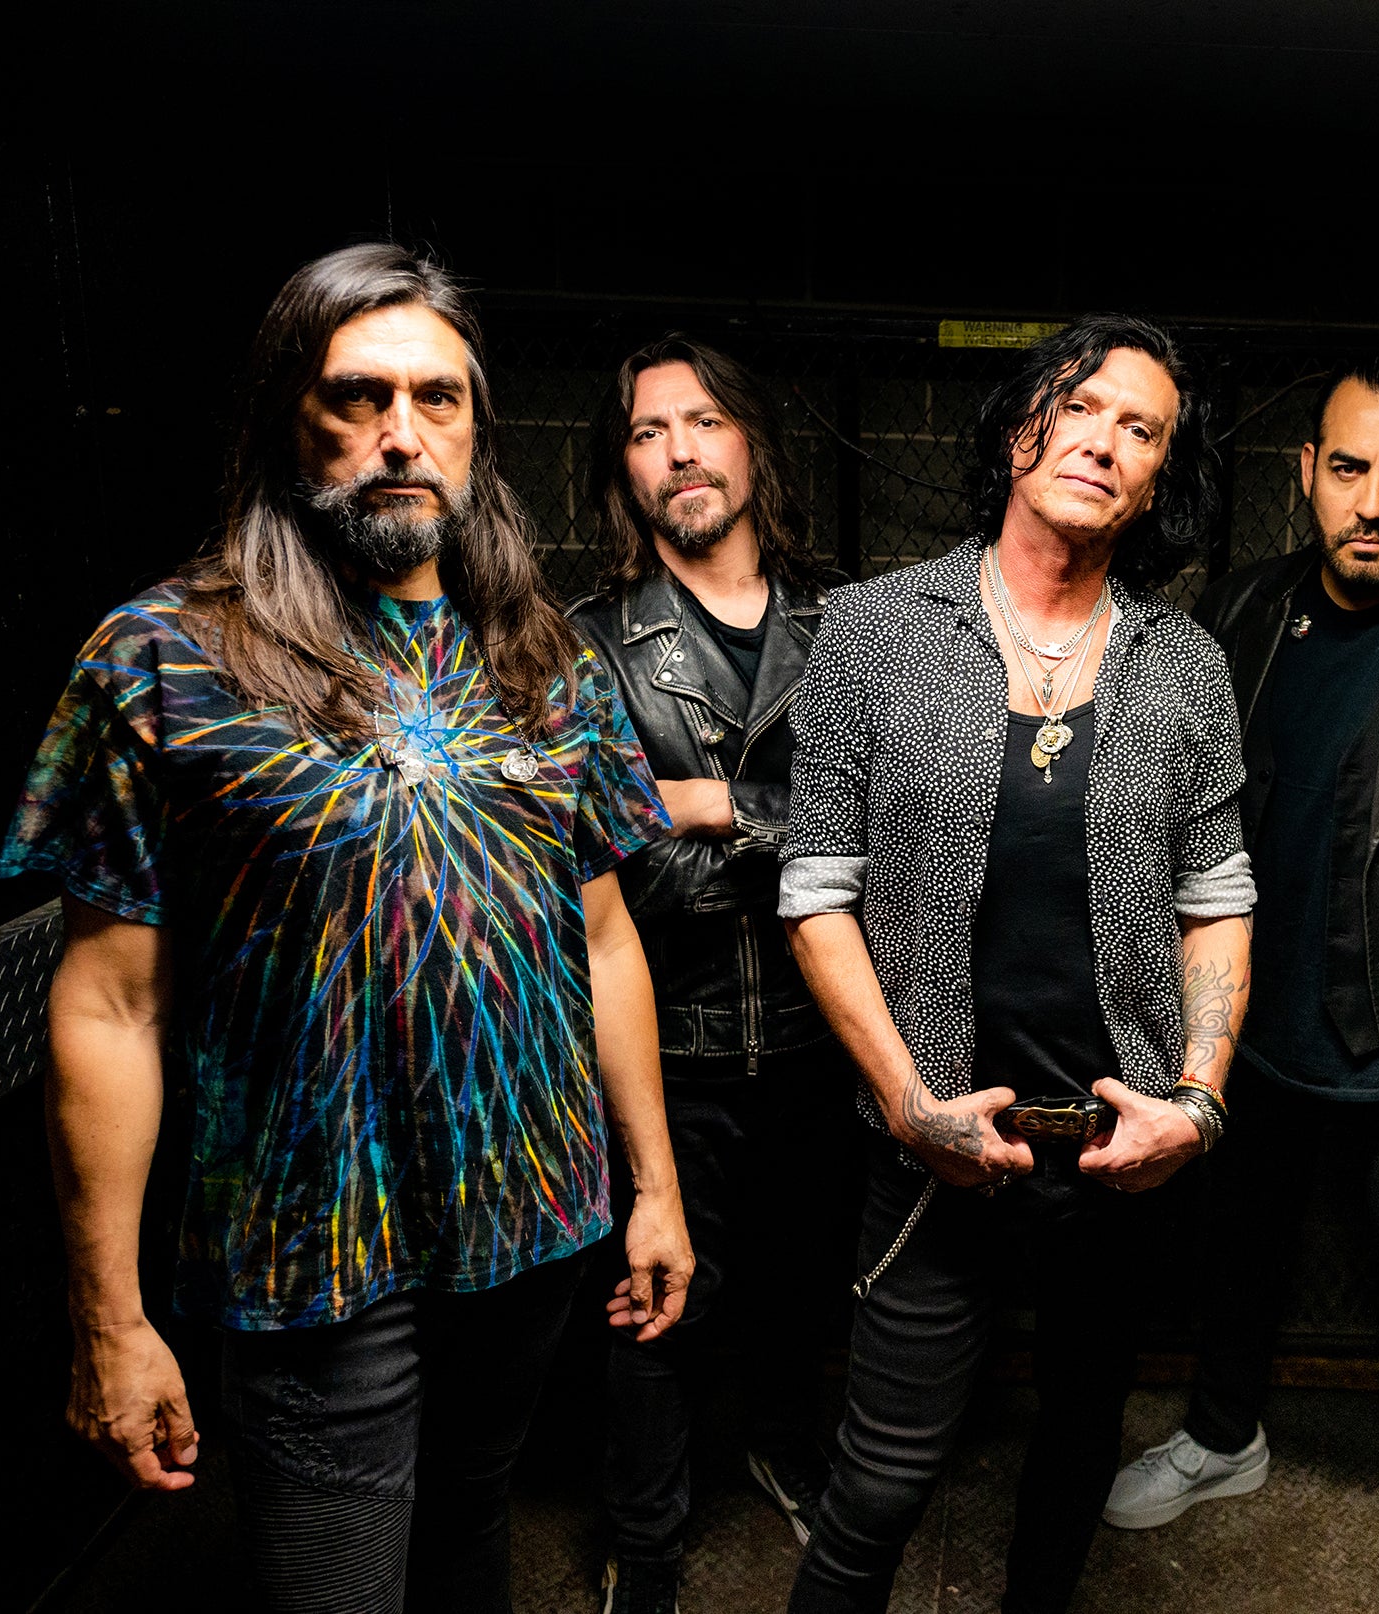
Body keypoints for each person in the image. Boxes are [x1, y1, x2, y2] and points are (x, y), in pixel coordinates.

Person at [0, 244, 694, 1614]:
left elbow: (606, 940)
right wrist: (109, 1316)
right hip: (310, 1249)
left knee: (470, 1537)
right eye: (358, 396)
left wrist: (653, 1186)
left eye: (437, 398)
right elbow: (110, 1003)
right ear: (286, 418)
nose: (401, 433)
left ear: (476, 430)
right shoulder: (166, 657)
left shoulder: (545, 659)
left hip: (529, 1225)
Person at [776, 313, 1255, 1614]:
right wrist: (906, 1105)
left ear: (1158, 479)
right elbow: (815, 893)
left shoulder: (1184, 664)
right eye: (1078, 406)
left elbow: (1216, 903)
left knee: (1078, 1440)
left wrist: (1196, 1101)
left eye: (1141, 428)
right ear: (1015, 431)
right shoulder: (875, 629)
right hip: (935, 1152)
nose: (1103, 441)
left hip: (1113, 1156)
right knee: (880, 1483)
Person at [1107, 358, 1379, 1614]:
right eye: (1346, 468)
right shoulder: (1242, 609)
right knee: (1235, 1256)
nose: (1369, 503)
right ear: (1305, 471)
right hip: (1250, 1030)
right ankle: (1223, 1436)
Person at [568, 336, 857, 1613]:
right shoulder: (579, 649)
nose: (678, 451)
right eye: (648, 432)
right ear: (623, 470)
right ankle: (645, 1549)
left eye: (702, 422)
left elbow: (895, 840)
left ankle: (785, 1450)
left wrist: (705, 804)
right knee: (651, 1308)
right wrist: (782, 833)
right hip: (662, 1047)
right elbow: (612, 877)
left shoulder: (851, 629)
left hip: (822, 1035)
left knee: (805, 1288)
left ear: (751, 443)